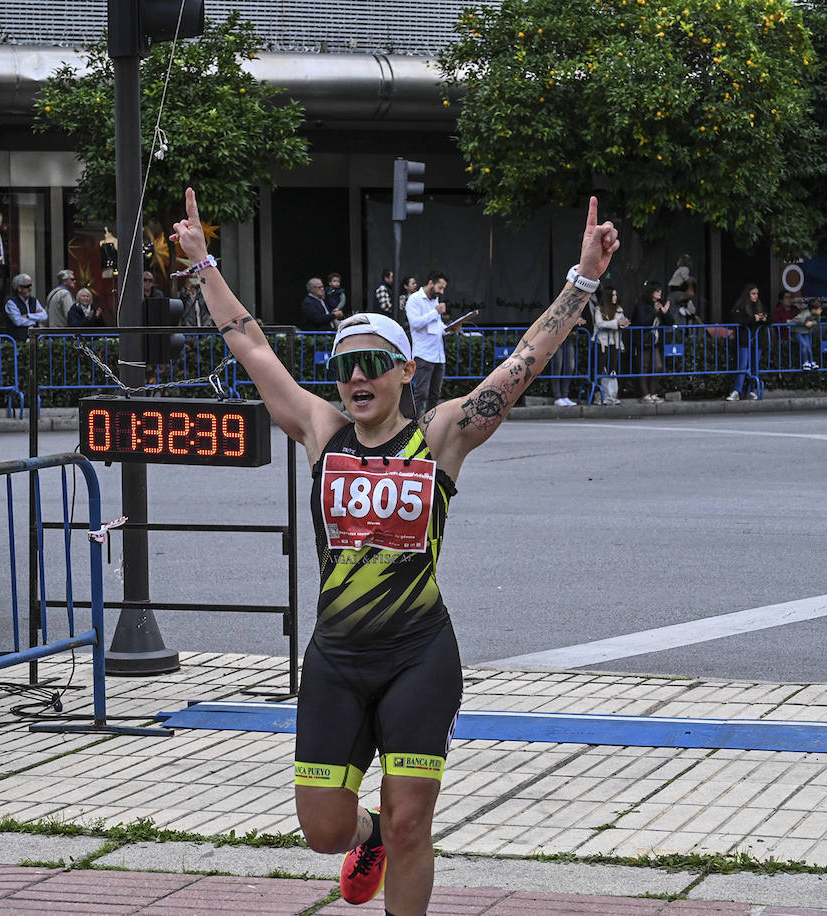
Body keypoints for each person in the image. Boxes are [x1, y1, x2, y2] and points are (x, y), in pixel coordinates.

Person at [168, 186, 620, 916]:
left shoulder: (441, 434)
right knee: (323, 832)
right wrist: (202, 264)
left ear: (408, 371)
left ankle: (394, 843)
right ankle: (367, 833)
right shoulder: (319, 430)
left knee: (415, 823)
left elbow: (524, 361)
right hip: (338, 658)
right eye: (345, 364)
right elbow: (251, 345)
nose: (356, 378)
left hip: (418, 655)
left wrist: (585, 280)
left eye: (375, 363)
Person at [405, 271, 448, 416]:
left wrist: (450, 329)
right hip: (423, 354)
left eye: (443, 289)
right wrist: (435, 312)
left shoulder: (434, 300)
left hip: (438, 354)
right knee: (421, 393)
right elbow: (415, 323)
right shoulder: (414, 299)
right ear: (431, 283)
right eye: (439, 287)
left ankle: (430, 428)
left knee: (435, 394)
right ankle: (412, 427)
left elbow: (438, 326)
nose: (441, 292)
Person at [726, 283, 767, 401]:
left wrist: (763, 318)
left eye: (757, 294)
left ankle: (751, 390)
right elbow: (739, 319)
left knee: (754, 366)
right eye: (753, 294)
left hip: (757, 340)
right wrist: (755, 319)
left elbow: (768, 320)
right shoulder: (741, 307)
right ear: (748, 294)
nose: (756, 296)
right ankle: (737, 391)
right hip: (744, 340)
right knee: (742, 366)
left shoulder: (760, 306)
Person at [549, 290, 589, 407]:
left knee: (570, 366)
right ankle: (557, 396)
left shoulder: (575, 307)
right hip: (557, 338)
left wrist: (577, 322)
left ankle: (565, 395)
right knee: (558, 365)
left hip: (569, 337)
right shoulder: (558, 306)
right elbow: (557, 322)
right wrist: (573, 321)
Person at [591, 287, 629, 404]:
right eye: (613, 295)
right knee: (600, 368)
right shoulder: (599, 309)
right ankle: (599, 395)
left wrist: (624, 323)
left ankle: (612, 395)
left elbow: (620, 322)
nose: (615, 297)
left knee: (613, 369)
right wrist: (616, 323)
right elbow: (599, 323)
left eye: (616, 295)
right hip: (601, 342)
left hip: (615, 342)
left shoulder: (618, 309)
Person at [3, 273, 47, 339]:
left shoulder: (34, 301)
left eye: (30, 285)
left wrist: (28, 316)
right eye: (26, 286)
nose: (29, 288)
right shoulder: (11, 303)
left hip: (34, 339)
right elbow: (18, 321)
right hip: (18, 339)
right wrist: (35, 320)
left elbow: (44, 316)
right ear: (19, 288)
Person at [793, 299, 825, 370]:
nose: (821, 310)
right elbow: (795, 320)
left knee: (809, 346)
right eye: (819, 309)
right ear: (813, 310)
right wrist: (805, 323)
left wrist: (812, 323)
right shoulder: (805, 314)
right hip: (797, 332)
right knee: (804, 345)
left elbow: (817, 321)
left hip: (805, 332)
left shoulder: (817, 315)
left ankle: (811, 362)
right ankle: (805, 362)